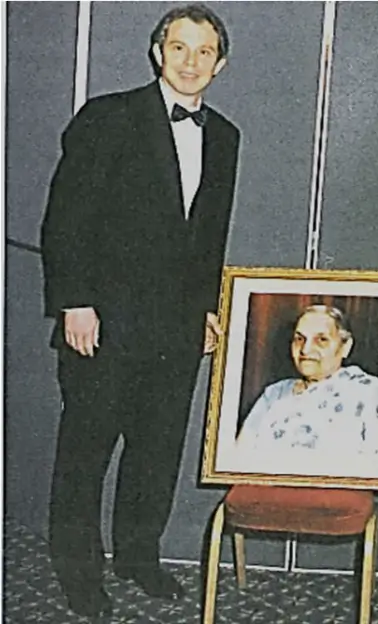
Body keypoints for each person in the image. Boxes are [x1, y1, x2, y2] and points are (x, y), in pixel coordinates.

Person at [40, 5, 240, 618]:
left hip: (176, 328)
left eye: (204, 52)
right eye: (179, 47)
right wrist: (75, 302)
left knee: (156, 453)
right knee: (85, 453)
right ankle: (78, 573)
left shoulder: (225, 136)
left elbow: (208, 237)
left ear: (220, 64)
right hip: (102, 322)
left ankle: (137, 555)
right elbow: (66, 216)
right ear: (158, 52)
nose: (190, 62)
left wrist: (207, 310)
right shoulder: (108, 117)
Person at [235, 305, 378, 471]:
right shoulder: (275, 393)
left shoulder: (371, 392)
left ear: (345, 346)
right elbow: (239, 457)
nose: (305, 349)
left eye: (321, 340)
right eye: (299, 339)